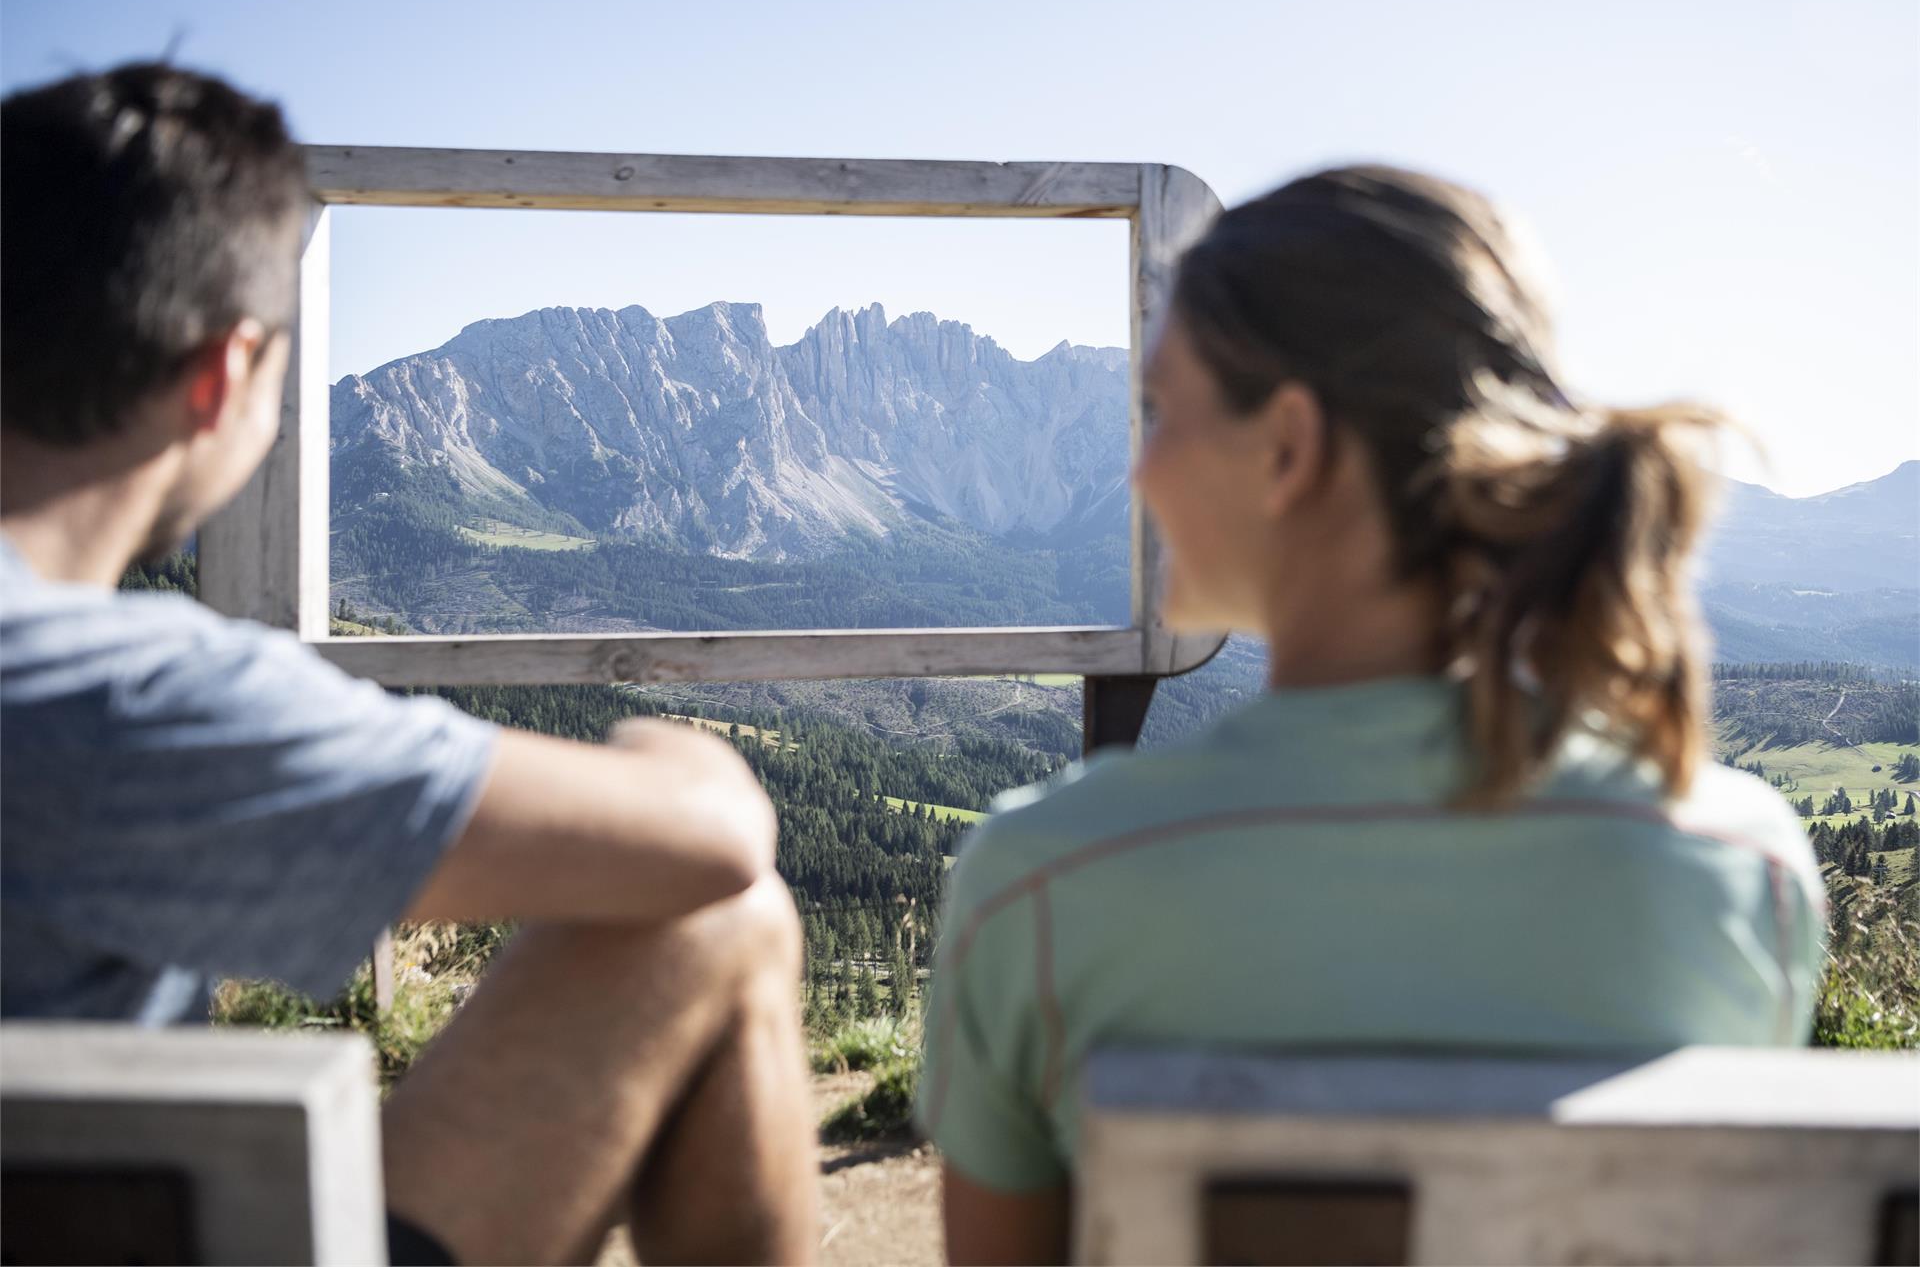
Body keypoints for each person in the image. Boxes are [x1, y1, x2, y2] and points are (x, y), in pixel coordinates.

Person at [915, 165, 1826, 1263]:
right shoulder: (1745, 867)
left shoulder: (1045, 878)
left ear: (1289, 447)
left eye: (1159, 410)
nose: (1137, 468)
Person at [0, 63, 819, 1267]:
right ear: (223, 376)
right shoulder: (118, 696)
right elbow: (712, 839)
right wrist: (668, 739)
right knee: (725, 918)